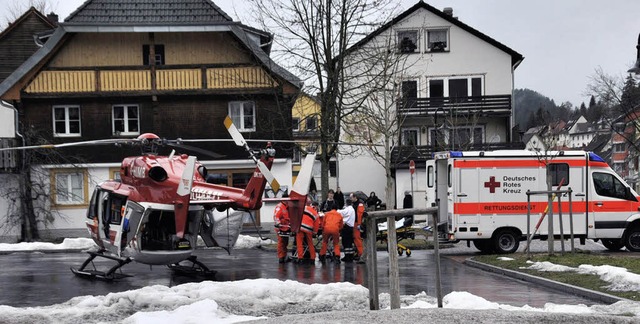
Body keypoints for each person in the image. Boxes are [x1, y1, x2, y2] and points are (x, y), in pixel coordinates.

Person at [351, 193, 366, 262]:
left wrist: (359, 224)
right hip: (354, 223)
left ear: (355, 197)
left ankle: (361, 254)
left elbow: (359, 214)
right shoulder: (355, 204)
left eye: (352, 197)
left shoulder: (359, 204)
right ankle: (359, 253)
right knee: (356, 238)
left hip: (356, 223)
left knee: (357, 238)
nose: (351, 199)